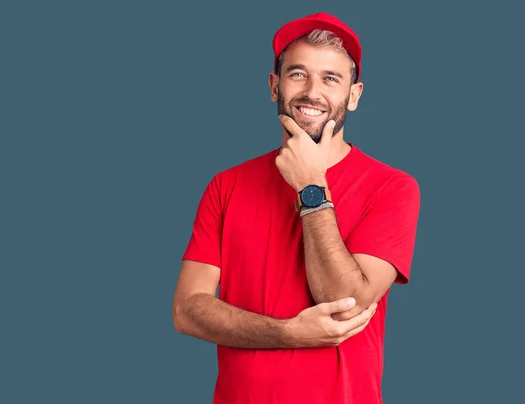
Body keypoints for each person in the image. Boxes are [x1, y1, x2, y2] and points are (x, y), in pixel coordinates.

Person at [172, 11, 421, 404]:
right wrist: (289, 333)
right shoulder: (226, 185)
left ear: (354, 96)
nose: (311, 92)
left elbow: (345, 303)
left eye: (331, 78)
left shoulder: (393, 187)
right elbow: (187, 310)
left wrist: (311, 185)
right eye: (298, 74)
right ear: (275, 86)